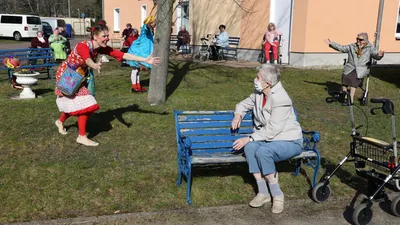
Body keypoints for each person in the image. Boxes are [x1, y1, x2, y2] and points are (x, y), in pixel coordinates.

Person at [54, 24, 160, 146]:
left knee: (78, 104)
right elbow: (87, 59)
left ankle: (61, 122)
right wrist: (94, 65)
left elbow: (122, 55)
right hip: (68, 77)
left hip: (78, 77)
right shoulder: (83, 46)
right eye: (104, 36)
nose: (107, 38)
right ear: (95, 37)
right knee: (85, 104)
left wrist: (145, 60)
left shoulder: (100, 48)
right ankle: (81, 136)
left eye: (107, 36)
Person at [231, 64, 303, 214]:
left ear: (267, 83)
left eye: (258, 78)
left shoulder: (281, 99)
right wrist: (238, 114)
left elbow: (272, 129)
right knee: (250, 148)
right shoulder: (259, 93)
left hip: (289, 140)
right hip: (269, 138)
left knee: (263, 151)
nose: (255, 80)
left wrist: (249, 138)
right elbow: (243, 104)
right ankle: (263, 193)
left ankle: (277, 195)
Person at [325, 32, 384, 105]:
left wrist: (379, 55)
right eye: (357, 39)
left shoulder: (370, 48)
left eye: (360, 39)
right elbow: (342, 48)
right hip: (351, 67)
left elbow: (376, 56)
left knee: (353, 80)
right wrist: (331, 43)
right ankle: (345, 97)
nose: (358, 41)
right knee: (345, 79)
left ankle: (351, 100)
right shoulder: (352, 46)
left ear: (365, 40)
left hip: (361, 69)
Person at [126, 15, 156, 93]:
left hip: (141, 53)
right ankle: (134, 87)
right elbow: (145, 27)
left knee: (138, 70)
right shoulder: (145, 29)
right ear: (150, 22)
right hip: (136, 52)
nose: (155, 23)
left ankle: (138, 86)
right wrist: (148, 25)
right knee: (134, 70)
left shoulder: (151, 30)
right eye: (154, 22)